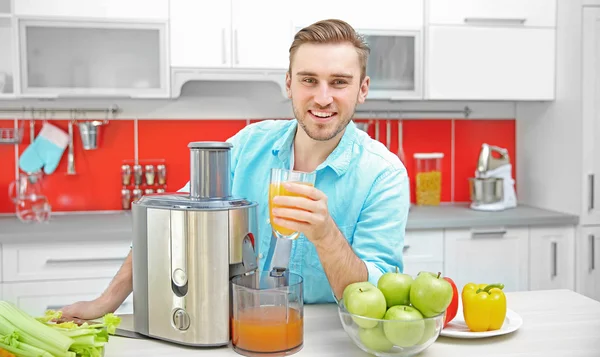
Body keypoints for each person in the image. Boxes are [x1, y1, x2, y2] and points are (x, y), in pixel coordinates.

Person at [59, 18, 410, 321]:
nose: (321, 98)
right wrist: (108, 300)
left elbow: (374, 301)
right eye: (308, 80)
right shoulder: (246, 146)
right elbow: (171, 220)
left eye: (338, 82)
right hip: (238, 323)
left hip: (329, 335)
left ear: (362, 89)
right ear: (288, 84)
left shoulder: (384, 175)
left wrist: (326, 236)